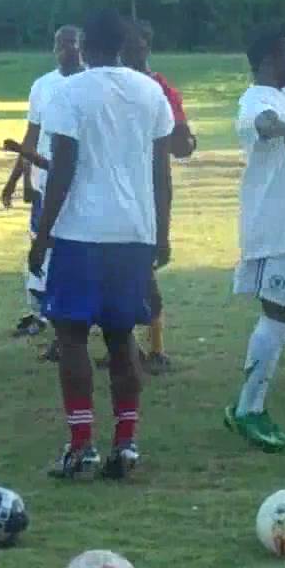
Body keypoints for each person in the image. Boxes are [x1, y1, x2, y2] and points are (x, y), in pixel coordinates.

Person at [29, 9, 174, 480]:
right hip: (133, 232)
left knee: (71, 335)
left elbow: (64, 166)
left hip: (81, 233)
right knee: (121, 337)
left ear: (86, 46)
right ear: (122, 45)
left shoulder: (71, 92)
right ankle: (127, 443)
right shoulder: (150, 91)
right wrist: (161, 234)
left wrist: (43, 233)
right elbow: (161, 171)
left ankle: (81, 445)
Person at [223, 27, 285, 453]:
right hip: (274, 229)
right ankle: (247, 410)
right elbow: (258, 123)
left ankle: (249, 406)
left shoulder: (283, 96)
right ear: (264, 61)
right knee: (277, 317)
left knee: (280, 317)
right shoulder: (257, 99)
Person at [121, 19, 196, 375]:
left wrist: (185, 138)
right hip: (117, 189)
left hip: (148, 192)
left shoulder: (160, 88)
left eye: (135, 47)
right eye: (124, 47)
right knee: (118, 273)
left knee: (144, 272)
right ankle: (126, 345)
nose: (128, 53)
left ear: (147, 47)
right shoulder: (114, 84)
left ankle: (156, 348)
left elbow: (182, 145)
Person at [1, 25, 83, 342]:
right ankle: (39, 314)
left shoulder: (87, 85)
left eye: (72, 44)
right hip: (43, 182)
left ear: (82, 46)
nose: (65, 50)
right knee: (38, 245)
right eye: (59, 45)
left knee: (67, 247)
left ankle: (70, 319)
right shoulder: (42, 86)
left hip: (76, 184)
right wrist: (16, 180)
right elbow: (31, 136)